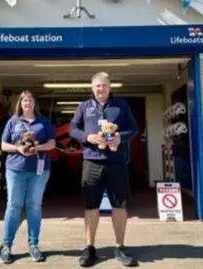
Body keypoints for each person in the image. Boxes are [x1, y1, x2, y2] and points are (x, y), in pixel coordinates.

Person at [69, 72, 139, 267]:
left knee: (119, 205)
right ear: (92, 88)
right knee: (91, 206)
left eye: (104, 86)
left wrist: (120, 137)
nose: (101, 89)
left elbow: (133, 129)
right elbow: (72, 129)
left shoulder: (121, 106)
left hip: (116, 162)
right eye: (97, 86)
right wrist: (87, 138)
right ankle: (90, 248)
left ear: (110, 87)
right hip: (92, 162)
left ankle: (120, 247)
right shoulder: (84, 107)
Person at [0, 90, 56, 264]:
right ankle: (6, 246)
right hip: (15, 169)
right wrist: (18, 148)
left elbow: (52, 143)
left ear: (34, 104)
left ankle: (33, 245)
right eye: (24, 100)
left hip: (39, 170)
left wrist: (38, 148)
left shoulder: (43, 122)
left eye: (30, 100)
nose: (27, 103)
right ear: (20, 104)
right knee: (14, 206)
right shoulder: (13, 122)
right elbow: (3, 145)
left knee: (34, 206)